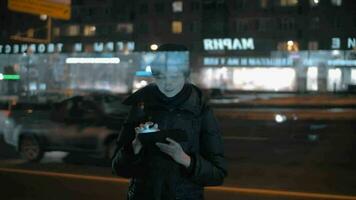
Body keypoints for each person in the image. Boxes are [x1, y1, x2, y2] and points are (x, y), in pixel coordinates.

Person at [112, 44, 227, 200]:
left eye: (174, 76)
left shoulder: (200, 109)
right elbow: (119, 168)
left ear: (185, 75)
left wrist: (185, 160)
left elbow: (217, 174)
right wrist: (135, 145)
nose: (167, 83)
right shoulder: (141, 105)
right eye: (160, 77)